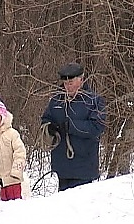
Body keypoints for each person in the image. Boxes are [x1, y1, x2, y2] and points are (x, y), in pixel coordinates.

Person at [41, 62, 106, 191]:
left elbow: (97, 127)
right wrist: (50, 128)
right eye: (65, 83)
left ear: (81, 80)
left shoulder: (94, 101)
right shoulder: (56, 100)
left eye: (71, 83)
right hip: (62, 165)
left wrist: (71, 126)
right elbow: (45, 119)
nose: (67, 86)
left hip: (84, 164)